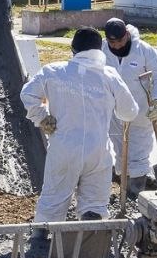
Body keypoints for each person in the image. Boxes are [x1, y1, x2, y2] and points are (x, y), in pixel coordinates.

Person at [21, 27, 138, 223]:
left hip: (64, 147)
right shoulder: (109, 75)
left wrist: (42, 118)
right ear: (99, 50)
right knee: (94, 204)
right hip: (98, 151)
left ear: (73, 50)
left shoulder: (54, 71)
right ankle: (88, 244)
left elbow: (27, 94)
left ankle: (40, 241)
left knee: (54, 199)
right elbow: (130, 111)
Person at [101, 18, 157, 195]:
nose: (116, 46)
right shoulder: (101, 50)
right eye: (112, 42)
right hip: (113, 114)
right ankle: (123, 190)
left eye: (120, 41)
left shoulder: (143, 50)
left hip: (140, 113)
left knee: (138, 155)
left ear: (127, 35)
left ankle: (135, 193)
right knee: (120, 154)